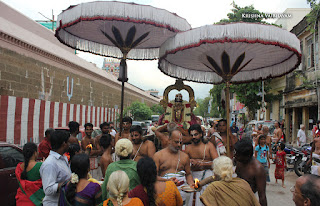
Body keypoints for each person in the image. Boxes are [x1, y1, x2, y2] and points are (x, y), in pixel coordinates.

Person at [153, 129, 193, 204]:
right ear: (169, 140)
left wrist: (191, 184)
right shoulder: (158, 155)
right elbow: (153, 176)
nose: (179, 145)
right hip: (164, 190)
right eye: (176, 142)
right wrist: (168, 181)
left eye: (181, 143)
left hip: (181, 191)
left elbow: (188, 174)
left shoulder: (185, 157)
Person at [185, 124, 218, 206]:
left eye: (196, 134)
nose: (194, 137)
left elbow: (218, 162)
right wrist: (190, 161)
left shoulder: (209, 146)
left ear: (201, 134)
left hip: (207, 176)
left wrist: (203, 164)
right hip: (193, 176)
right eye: (192, 135)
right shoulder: (188, 148)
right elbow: (183, 164)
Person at [40, 130, 72, 206]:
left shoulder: (63, 158)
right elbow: (48, 189)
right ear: (64, 144)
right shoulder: (50, 163)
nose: (69, 144)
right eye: (68, 142)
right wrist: (67, 183)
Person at [235, 139, 267, 206]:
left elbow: (262, 196)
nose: (235, 156)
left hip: (247, 201)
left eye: (238, 154)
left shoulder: (258, 170)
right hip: (235, 197)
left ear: (247, 156)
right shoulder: (239, 161)